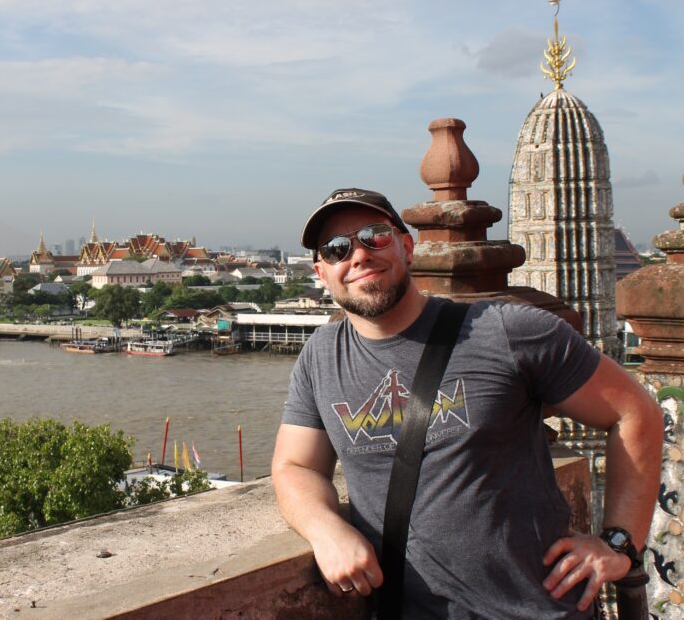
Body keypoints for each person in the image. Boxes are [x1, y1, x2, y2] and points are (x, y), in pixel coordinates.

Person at [272, 188, 663, 619]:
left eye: (374, 236)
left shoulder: (507, 332)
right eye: (337, 249)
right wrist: (326, 530)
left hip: (535, 608)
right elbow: (296, 466)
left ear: (406, 247)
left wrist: (620, 543)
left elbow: (634, 411)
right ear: (322, 273)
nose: (359, 255)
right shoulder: (321, 356)